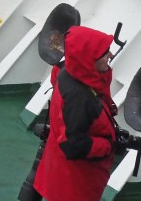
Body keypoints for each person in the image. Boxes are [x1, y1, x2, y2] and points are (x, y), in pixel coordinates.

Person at [32, 25, 119, 201]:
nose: (110, 55)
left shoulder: (67, 72)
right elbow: (73, 145)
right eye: (105, 52)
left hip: (59, 172)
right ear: (89, 58)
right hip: (75, 185)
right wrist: (109, 146)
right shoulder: (80, 99)